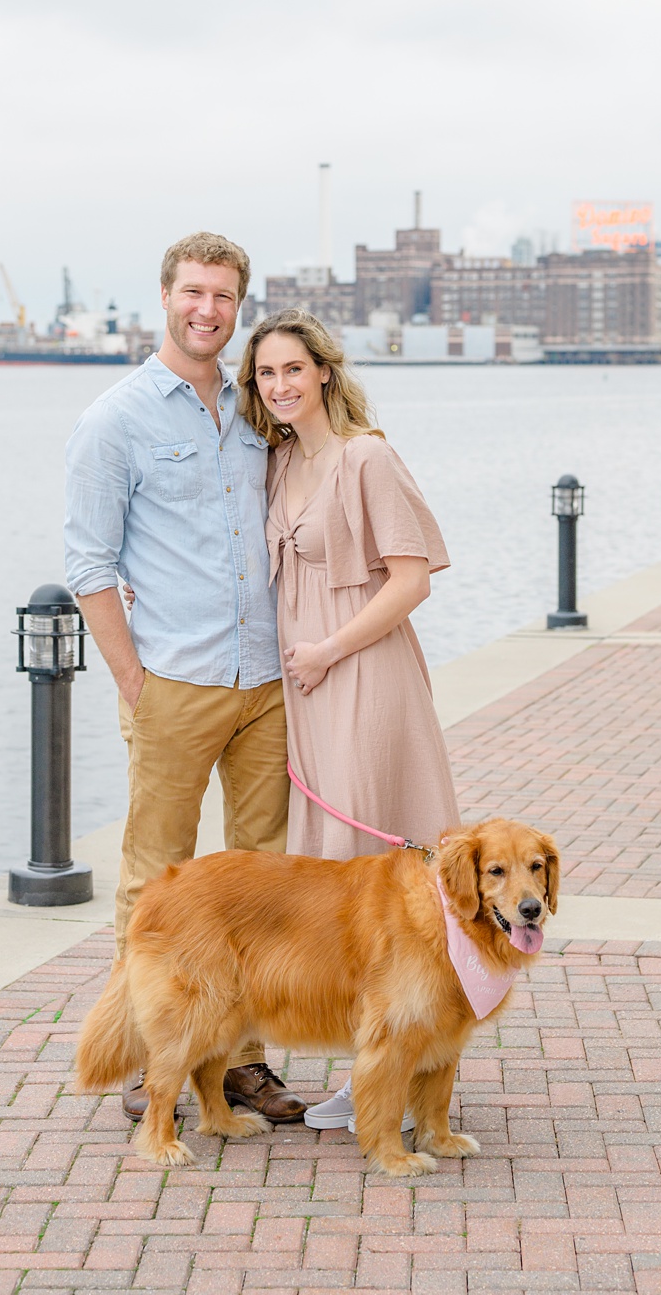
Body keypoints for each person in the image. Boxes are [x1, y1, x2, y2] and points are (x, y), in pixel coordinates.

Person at [63, 232, 307, 1125]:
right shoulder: (115, 420)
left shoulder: (255, 408)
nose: (209, 311)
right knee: (155, 881)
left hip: (268, 680)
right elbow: (89, 564)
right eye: (194, 293)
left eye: (224, 297)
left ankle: (242, 1061)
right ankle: (151, 1055)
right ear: (165, 296)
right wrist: (133, 681)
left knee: (264, 880)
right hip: (175, 681)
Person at [237, 309, 459, 1132]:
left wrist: (329, 648)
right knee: (332, 883)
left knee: (382, 875)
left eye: (294, 368)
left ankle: (397, 1073)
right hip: (309, 688)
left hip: (365, 677)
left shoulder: (367, 457)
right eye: (265, 374)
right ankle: (374, 1064)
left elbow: (411, 581)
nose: (281, 385)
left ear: (324, 371)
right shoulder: (277, 463)